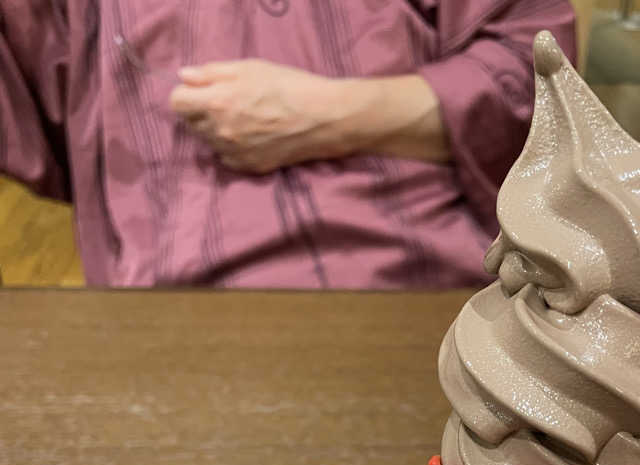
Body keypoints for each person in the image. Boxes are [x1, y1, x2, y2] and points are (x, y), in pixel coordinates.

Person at [0, 1, 576, 289]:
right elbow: (38, 105)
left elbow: (540, 76)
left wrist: (330, 116)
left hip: (419, 291)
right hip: (161, 310)